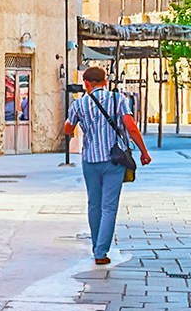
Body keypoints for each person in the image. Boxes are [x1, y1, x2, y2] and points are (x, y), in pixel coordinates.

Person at [63, 65, 151, 265]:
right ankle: (101, 252)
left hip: (90, 160)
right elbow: (131, 127)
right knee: (109, 206)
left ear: (86, 84)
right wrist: (144, 152)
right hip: (114, 160)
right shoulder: (118, 99)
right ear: (105, 81)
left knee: (94, 204)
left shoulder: (80, 104)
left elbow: (68, 129)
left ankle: (97, 246)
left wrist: (75, 122)